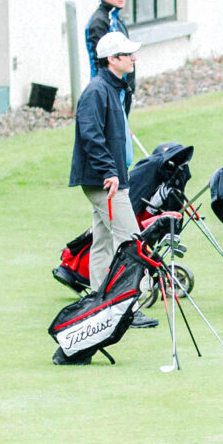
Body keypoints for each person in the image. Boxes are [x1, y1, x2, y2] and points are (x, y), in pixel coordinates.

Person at [69, 32, 140, 298]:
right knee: (130, 242)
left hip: (111, 176)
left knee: (101, 243)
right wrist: (110, 171)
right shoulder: (97, 90)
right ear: (112, 59)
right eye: (128, 54)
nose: (133, 58)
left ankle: (101, 302)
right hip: (104, 181)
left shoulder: (117, 87)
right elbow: (91, 135)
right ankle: (126, 304)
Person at [84, 0, 129, 87]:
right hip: (107, 91)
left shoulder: (116, 18)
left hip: (121, 89)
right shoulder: (99, 22)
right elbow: (99, 64)